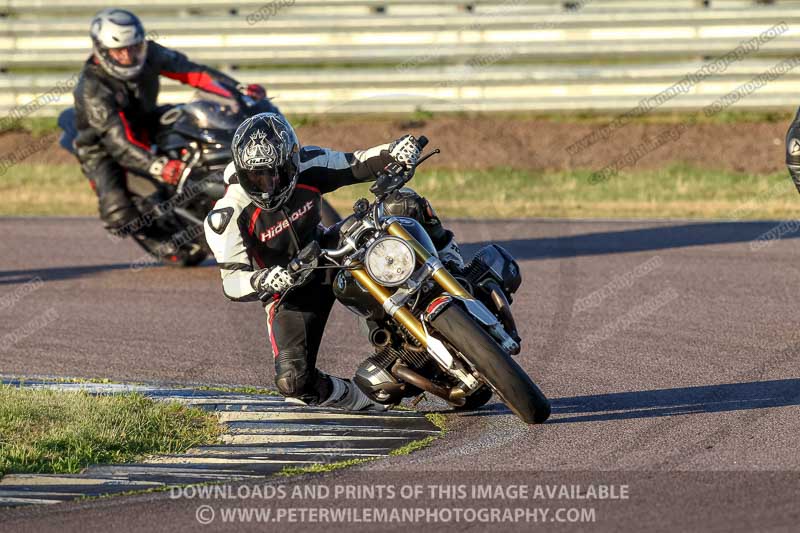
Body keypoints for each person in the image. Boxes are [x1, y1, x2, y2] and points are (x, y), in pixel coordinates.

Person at [204, 113, 464, 410]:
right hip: (288, 287)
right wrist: (265, 279)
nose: (268, 185)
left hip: (330, 249)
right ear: (241, 170)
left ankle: (452, 264)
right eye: (256, 176)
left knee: (403, 203)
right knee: (293, 382)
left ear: (291, 161)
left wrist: (396, 151)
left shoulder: (309, 163)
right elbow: (232, 281)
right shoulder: (227, 214)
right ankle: (364, 399)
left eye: (276, 173)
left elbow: (357, 162)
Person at [72, 8, 268, 250]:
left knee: (195, 120)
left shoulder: (150, 53)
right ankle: (167, 239)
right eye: (119, 51)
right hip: (103, 147)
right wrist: (159, 166)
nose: (128, 56)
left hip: (146, 120)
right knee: (118, 214)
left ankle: (213, 176)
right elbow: (119, 142)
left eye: (134, 47)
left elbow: (193, 73)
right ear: (102, 51)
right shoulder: (92, 88)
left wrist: (237, 89)